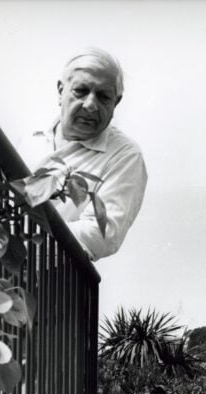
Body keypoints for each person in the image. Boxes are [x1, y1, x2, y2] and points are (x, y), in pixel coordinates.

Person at [19, 48, 147, 261]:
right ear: (61, 91)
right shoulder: (27, 135)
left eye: (104, 96)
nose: (90, 105)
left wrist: (16, 244)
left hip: (52, 282)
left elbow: (101, 234)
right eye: (81, 90)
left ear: (116, 103)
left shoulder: (125, 155)